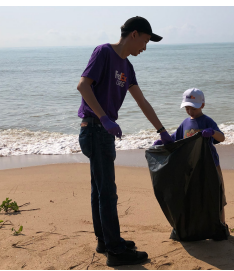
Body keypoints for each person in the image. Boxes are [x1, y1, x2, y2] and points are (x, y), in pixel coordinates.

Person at [76, 16, 174, 267]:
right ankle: (116, 250)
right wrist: (105, 118)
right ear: (134, 34)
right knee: (107, 192)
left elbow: (142, 102)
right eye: (145, 40)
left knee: (100, 190)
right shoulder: (104, 53)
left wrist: (162, 130)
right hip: (95, 130)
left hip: (102, 133)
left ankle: (105, 240)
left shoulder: (127, 67)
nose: (145, 47)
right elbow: (83, 86)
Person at [154, 88, 228, 227]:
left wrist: (212, 132)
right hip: (192, 167)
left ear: (202, 105)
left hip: (211, 165)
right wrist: (162, 141)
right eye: (187, 108)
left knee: (216, 195)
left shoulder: (207, 121)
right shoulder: (185, 123)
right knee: (195, 196)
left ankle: (221, 225)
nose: (190, 111)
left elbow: (222, 137)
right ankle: (199, 225)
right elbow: (174, 140)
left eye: (193, 108)